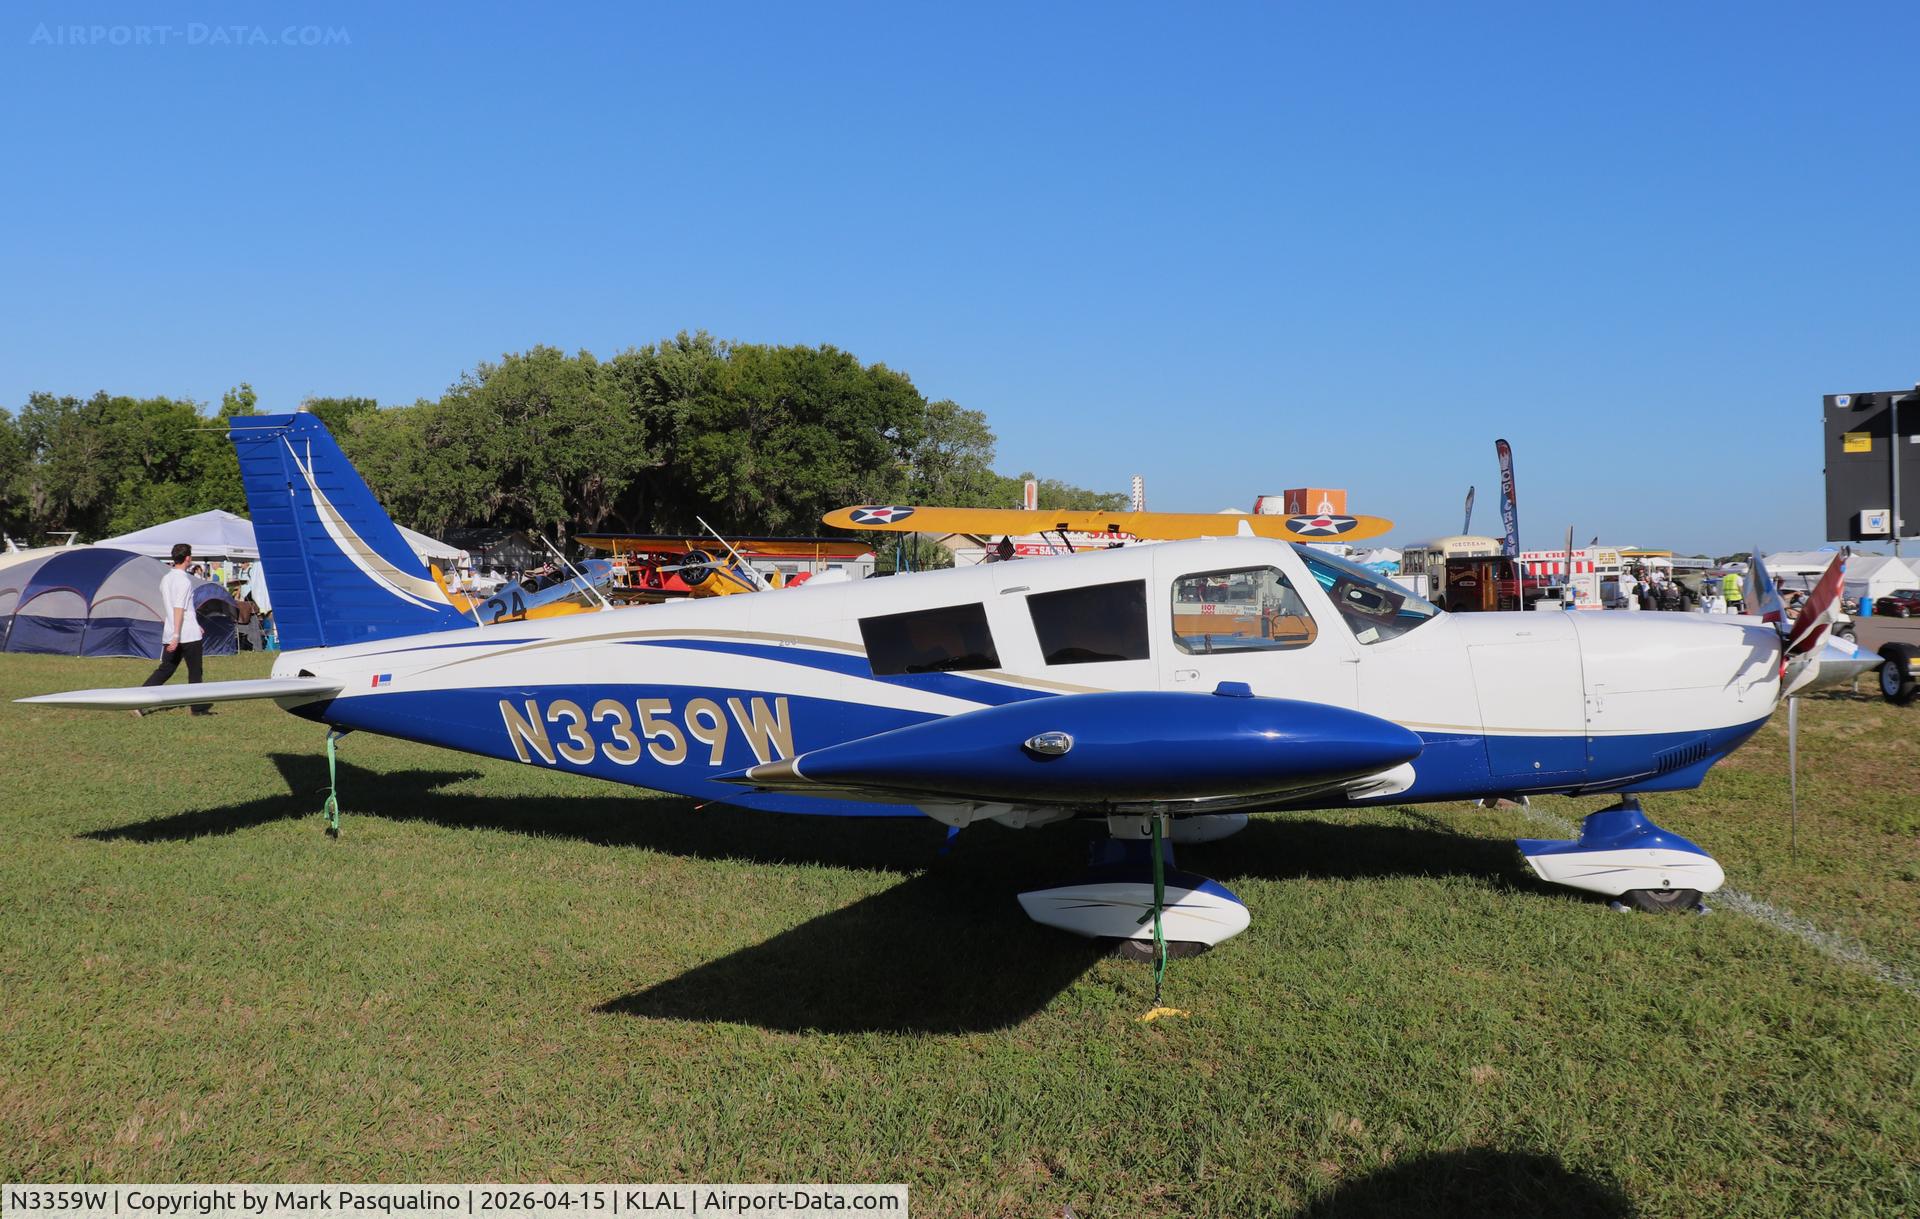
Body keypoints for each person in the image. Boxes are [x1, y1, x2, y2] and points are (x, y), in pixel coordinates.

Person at [139, 542, 212, 716]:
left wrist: (192, 625)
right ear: (188, 558)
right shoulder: (184, 581)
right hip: (186, 634)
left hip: (173, 629)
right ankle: (198, 709)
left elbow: (178, 607)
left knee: (166, 669)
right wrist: (177, 635)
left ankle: (138, 700)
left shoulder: (166, 579)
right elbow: (179, 608)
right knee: (195, 671)